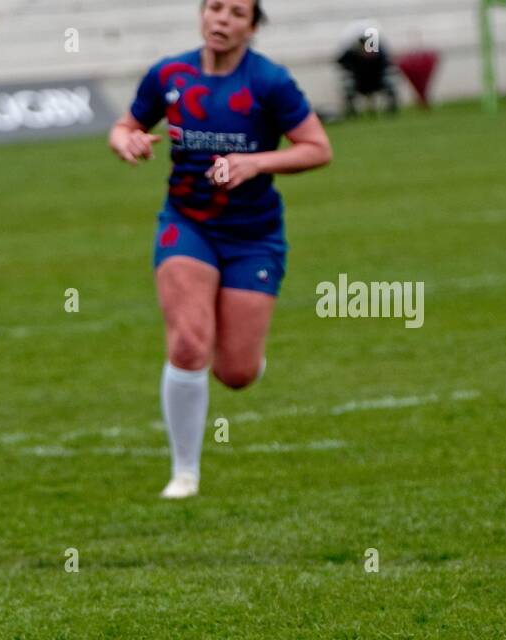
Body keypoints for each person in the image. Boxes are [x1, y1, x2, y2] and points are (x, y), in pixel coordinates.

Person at [108, 0, 332, 499]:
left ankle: (244, 354)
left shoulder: (269, 82)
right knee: (188, 344)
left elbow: (318, 148)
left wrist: (256, 164)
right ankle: (184, 473)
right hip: (186, 225)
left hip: (253, 236)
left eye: (235, 12)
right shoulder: (169, 74)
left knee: (236, 372)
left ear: (252, 27)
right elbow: (125, 127)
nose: (221, 19)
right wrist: (129, 142)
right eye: (214, 7)